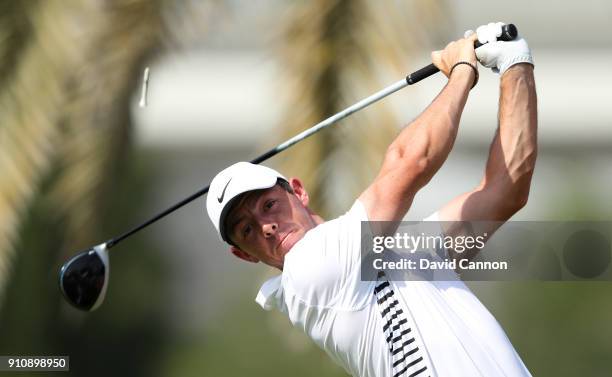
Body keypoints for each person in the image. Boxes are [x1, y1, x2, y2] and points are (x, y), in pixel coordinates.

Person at [206, 22, 536, 377]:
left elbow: (505, 191)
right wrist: (461, 71)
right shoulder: (309, 271)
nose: (266, 226)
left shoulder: (402, 254)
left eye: (268, 205)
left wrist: (514, 64)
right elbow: (409, 163)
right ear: (243, 254)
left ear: (298, 191)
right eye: (247, 230)